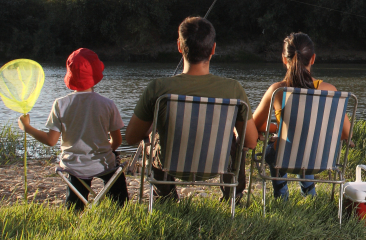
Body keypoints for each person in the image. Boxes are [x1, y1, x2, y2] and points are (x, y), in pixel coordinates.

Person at [125, 16, 258, 202]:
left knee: (153, 137)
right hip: (217, 164)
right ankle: (232, 197)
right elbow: (251, 142)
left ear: (179, 46)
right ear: (213, 49)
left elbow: (131, 138)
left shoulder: (158, 88)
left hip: (169, 165)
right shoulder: (233, 89)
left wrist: (154, 127)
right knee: (235, 140)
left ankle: (166, 197)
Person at [18, 48, 128, 211]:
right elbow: (117, 141)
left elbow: (50, 141)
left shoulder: (60, 104)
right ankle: (119, 208)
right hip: (101, 163)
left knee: (78, 173)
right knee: (114, 170)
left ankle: (75, 206)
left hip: (72, 165)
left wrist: (27, 127)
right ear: (95, 74)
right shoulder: (107, 104)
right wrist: (107, 149)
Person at [252, 32, 351, 200]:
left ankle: (281, 196)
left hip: (284, 159)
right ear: (312, 59)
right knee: (308, 144)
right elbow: (346, 134)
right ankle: (310, 195)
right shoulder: (330, 91)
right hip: (321, 159)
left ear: (284, 59)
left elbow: (255, 125)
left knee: (273, 148)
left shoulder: (277, 91)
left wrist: (280, 130)